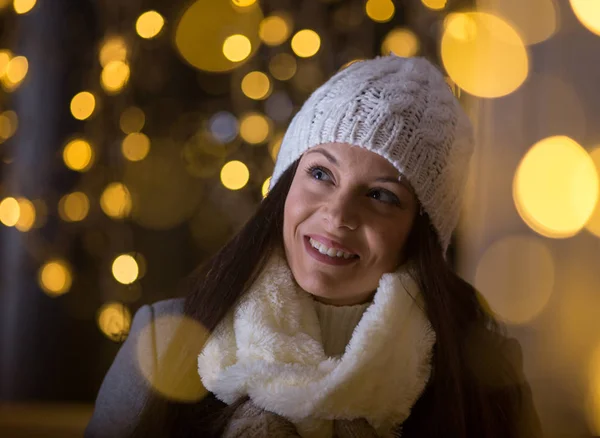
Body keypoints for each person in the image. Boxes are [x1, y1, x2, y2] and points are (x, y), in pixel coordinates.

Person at [85, 56, 542, 438]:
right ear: (286, 184)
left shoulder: (483, 375)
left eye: (381, 195)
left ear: (421, 233)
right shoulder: (165, 342)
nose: (338, 214)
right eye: (321, 174)